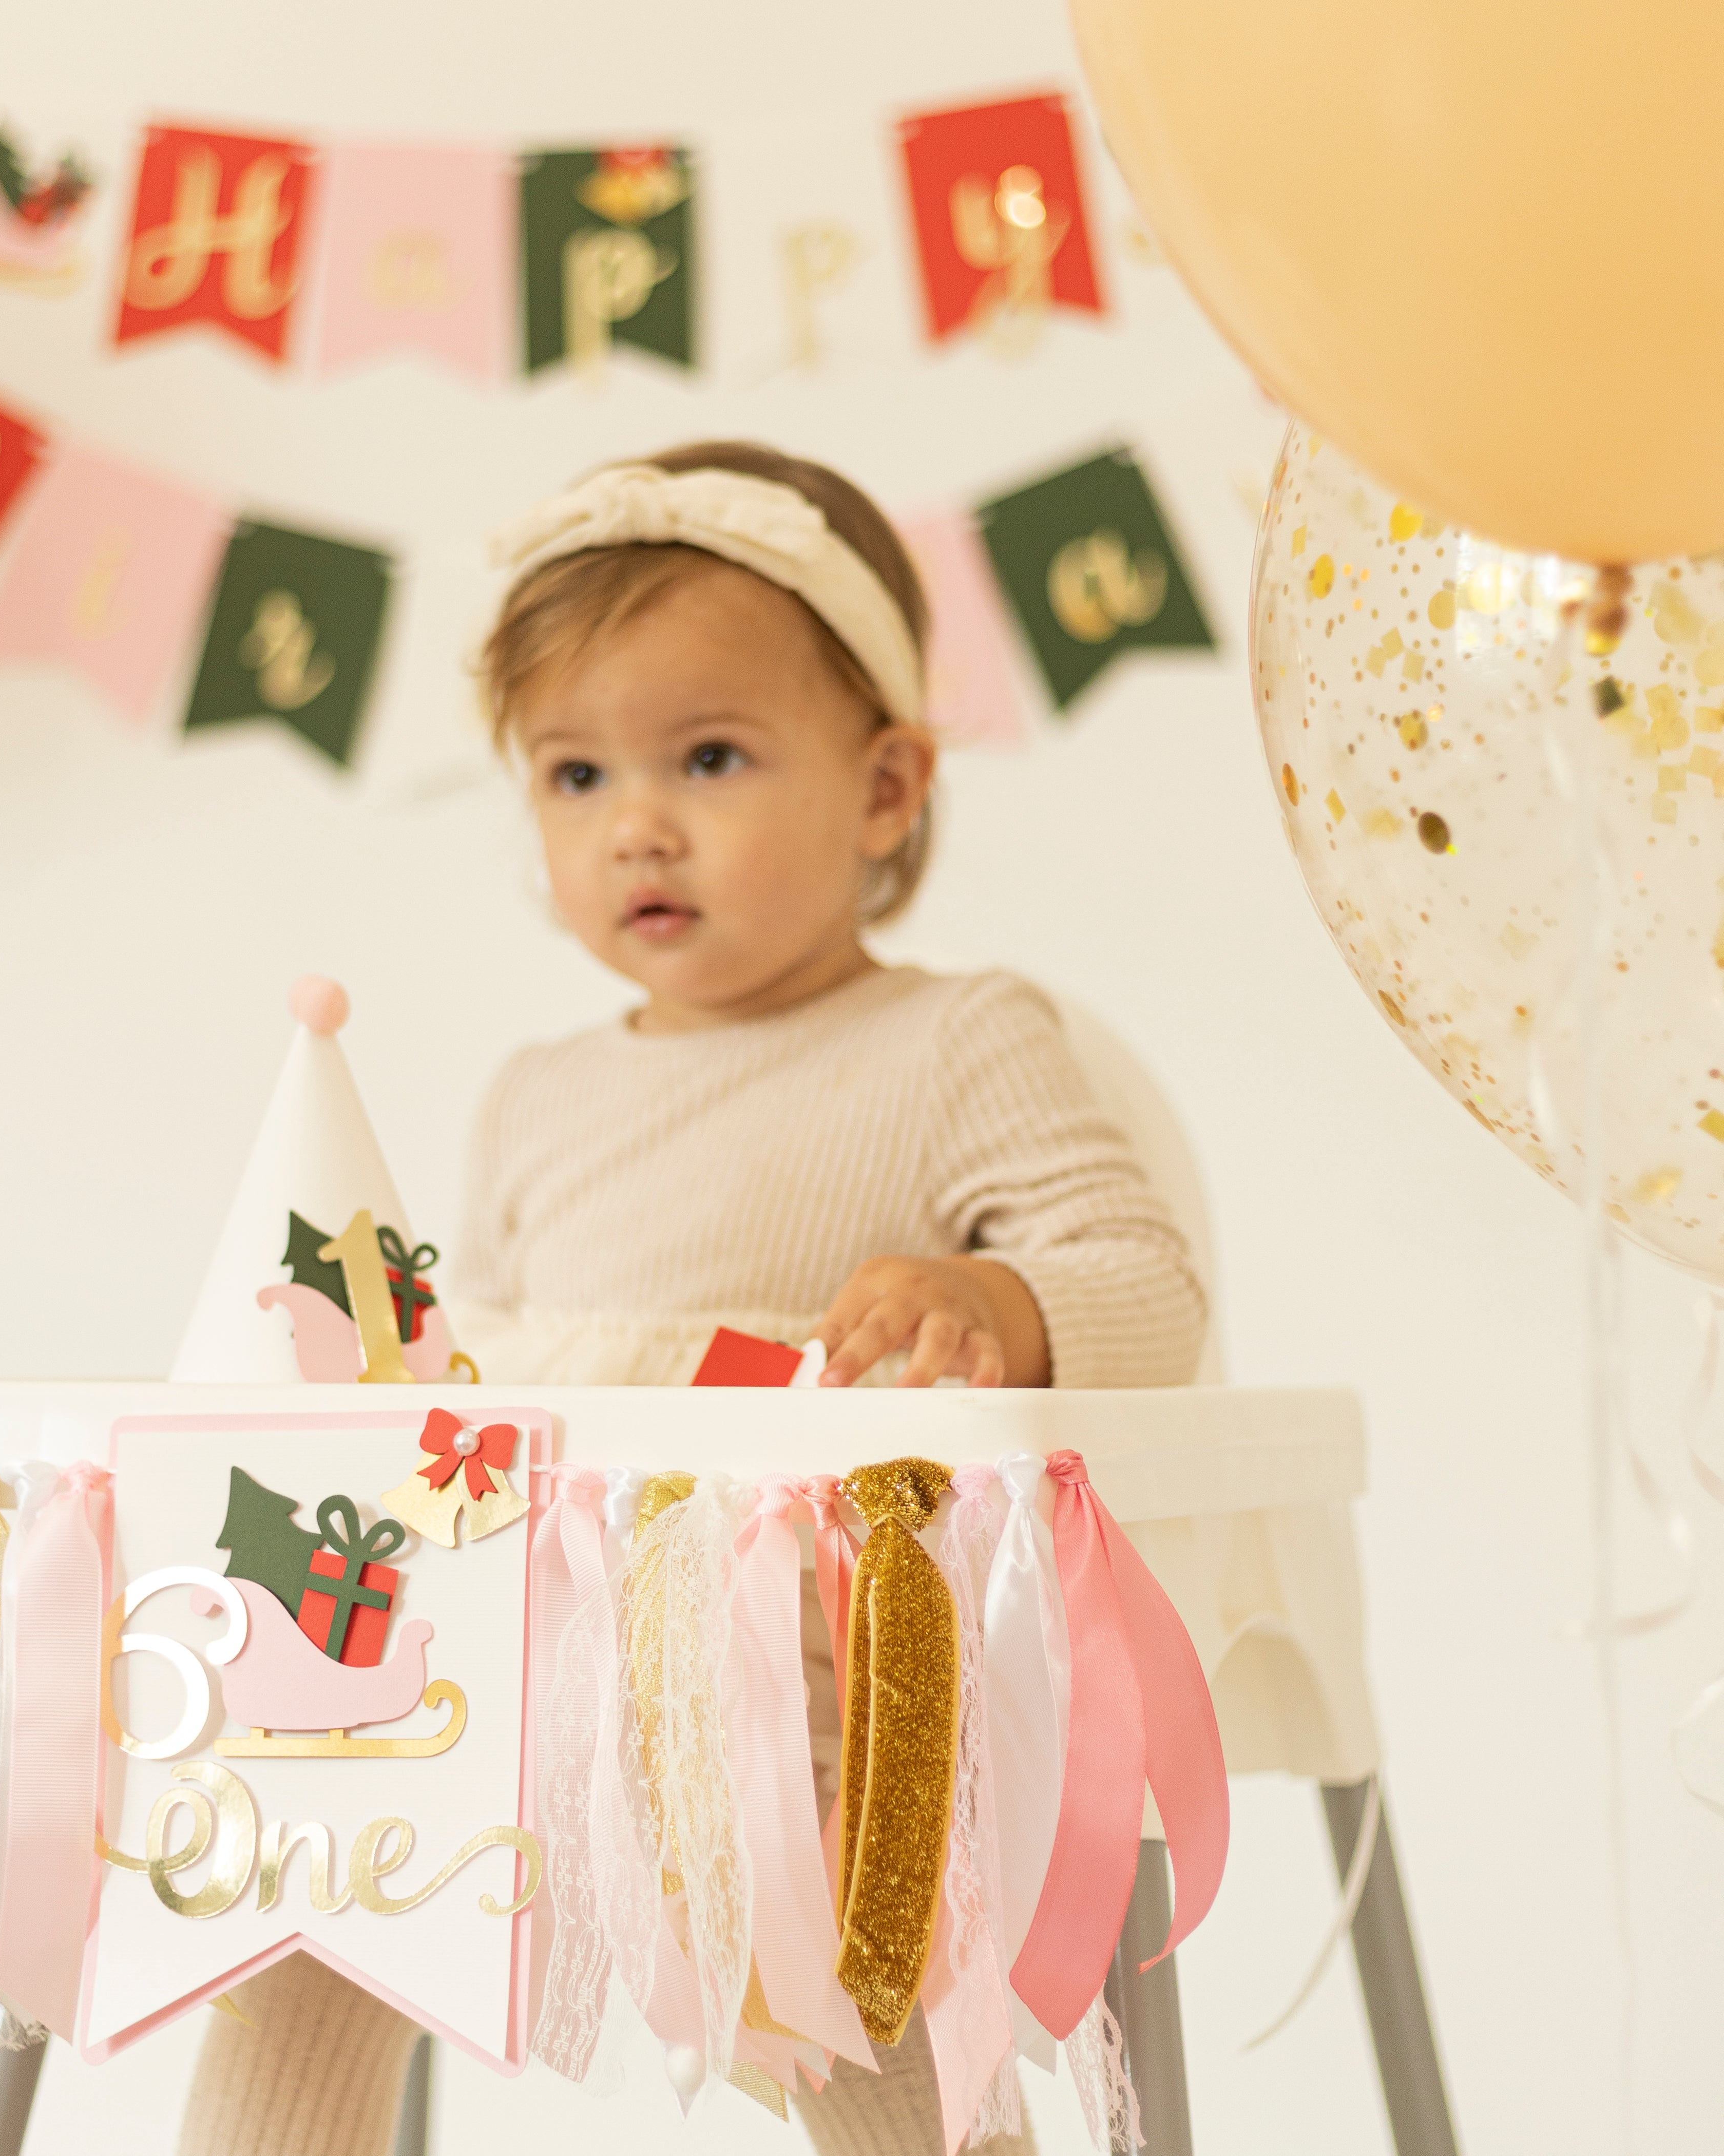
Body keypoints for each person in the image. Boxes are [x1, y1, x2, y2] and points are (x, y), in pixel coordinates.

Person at [178, 442, 1206, 2156]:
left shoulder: (957, 1042)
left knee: (810, 1877)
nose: (634, 823)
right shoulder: (533, 1094)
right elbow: (472, 1383)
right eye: (574, 775)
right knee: (309, 1835)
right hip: (527, 1634)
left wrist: (993, 1305)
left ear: (885, 790)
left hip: (810, 1656)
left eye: (709, 758)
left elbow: (1144, 1287)